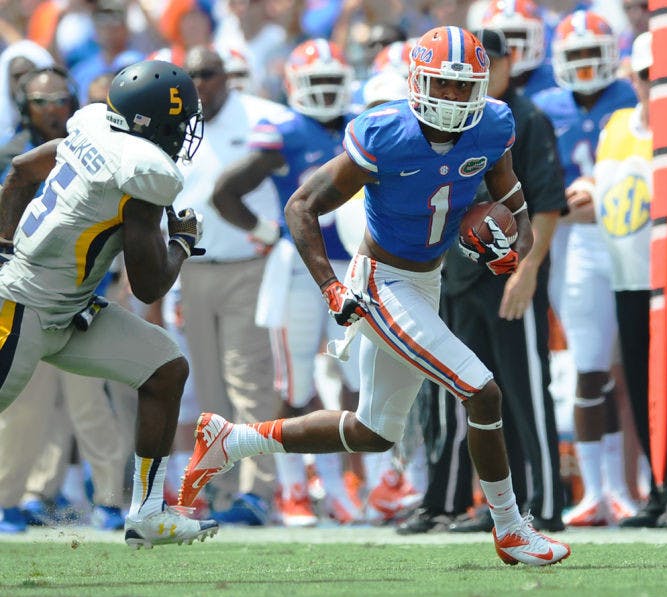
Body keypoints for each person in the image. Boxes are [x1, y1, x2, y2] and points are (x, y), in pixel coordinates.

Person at [180, 26, 571, 566]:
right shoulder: (386, 134)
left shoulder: (495, 124)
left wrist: (514, 247)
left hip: (426, 282)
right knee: (482, 391)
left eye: (466, 88)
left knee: (371, 432)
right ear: (417, 82)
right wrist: (332, 286)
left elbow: (512, 199)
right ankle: (511, 530)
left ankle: (232, 440)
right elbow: (301, 206)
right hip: (380, 281)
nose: (456, 99)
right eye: (443, 85)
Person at [0, 59, 218, 548]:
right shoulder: (142, 170)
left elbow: (18, 172)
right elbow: (148, 285)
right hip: (22, 307)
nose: (184, 132)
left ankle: (147, 513)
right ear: (156, 125)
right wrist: (182, 242)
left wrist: (3, 246)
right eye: (178, 123)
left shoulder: (92, 127)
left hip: (67, 309)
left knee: (165, 368)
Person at [399, 27, 567, 535]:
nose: (480, 76)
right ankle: (451, 500)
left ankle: (544, 502)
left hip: (508, 273)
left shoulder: (521, 118)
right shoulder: (445, 123)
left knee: (524, 392)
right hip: (458, 274)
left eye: (490, 63)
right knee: (465, 394)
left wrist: (528, 271)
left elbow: (546, 201)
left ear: (506, 65)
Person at [203, 38, 365, 526]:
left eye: (331, 82)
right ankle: (294, 488)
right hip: (297, 267)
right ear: (294, 86)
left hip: (354, 269)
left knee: (360, 380)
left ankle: (357, 485)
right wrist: (266, 232)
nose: (323, 93)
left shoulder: (362, 127)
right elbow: (224, 191)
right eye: (314, 83)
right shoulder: (285, 129)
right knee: (293, 382)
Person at [170, 45, 287, 524]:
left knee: (249, 380)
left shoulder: (262, 116)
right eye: (191, 74)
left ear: (227, 77)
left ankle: (257, 491)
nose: (200, 83)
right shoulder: (174, 125)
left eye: (209, 73)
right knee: (208, 389)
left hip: (246, 266)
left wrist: (271, 234)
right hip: (191, 267)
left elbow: (300, 165)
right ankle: (218, 492)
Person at [533, 10, 639, 527]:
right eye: (572, 54)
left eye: (590, 53)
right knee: (591, 364)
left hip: (630, 233)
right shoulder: (544, 107)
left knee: (632, 365)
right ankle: (599, 490)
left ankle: (623, 485)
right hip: (574, 240)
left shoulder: (630, 99)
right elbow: (530, 181)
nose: (582, 64)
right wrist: (560, 202)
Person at [590, 32, 667, 527]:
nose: (656, 85)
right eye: (648, 76)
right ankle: (658, 489)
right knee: (640, 386)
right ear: (634, 78)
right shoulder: (617, 124)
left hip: (663, 279)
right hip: (627, 275)